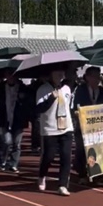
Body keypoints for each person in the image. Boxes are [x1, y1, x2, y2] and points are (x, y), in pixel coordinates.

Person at [36, 67, 74, 197]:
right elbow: (40, 108)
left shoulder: (67, 89)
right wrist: (51, 98)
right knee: (49, 156)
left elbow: (69, 106)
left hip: (66, 128)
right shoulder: (43, 90)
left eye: (61, 73)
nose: (60, 75)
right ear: (51, 74)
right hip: (50, 128)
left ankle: (62, 185)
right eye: (57, 73)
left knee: (66, 156)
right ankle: (42, 175)